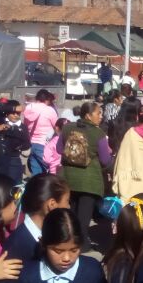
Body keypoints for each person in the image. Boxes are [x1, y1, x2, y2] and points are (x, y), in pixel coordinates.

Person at [60, 102, 110, 252]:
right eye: (98, 113)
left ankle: (67, 239)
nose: (101, 117)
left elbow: (58, 149)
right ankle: (80, 244)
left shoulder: (67, 128)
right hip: (89, 181)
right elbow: (105, 160)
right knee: (84, 215)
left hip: (68, 177)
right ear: (88, 115)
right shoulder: (98, 133)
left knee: (72, 211)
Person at [25, 89, 60, 177]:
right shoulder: (49, 110)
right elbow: (57, 127)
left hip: (31, 144)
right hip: (44, 144)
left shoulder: (29, 108)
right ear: (47, 99)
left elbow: (25, 125)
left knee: (36, 174)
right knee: (52, 170)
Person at [0, 101, 30, 183]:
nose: (16, 115)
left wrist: (11, 129)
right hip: (1, 159)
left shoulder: (22, 127)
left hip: (14, 159)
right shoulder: (1, 123)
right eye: (13, 113)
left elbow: (26, 143)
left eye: (18, 113)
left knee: (14, 185)